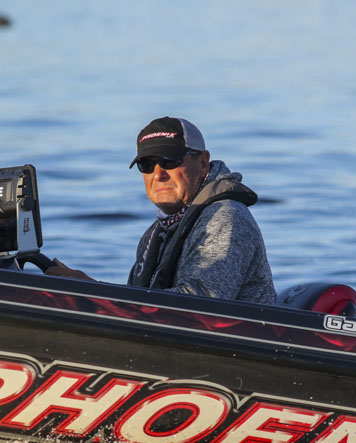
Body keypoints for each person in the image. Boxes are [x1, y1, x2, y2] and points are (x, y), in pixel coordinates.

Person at [47, 117, 276, 304]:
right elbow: (137, 307)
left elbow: (201, 306)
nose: (158, 174)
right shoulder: (158, 230)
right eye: (147, 164)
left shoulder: (224, 218)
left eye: (169, 161)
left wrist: (95, 293)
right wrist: (88, 291)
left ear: (203, 163)